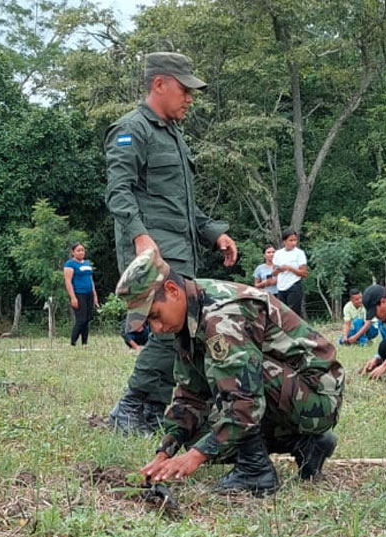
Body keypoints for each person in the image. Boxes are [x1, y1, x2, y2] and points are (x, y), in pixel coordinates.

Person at [117, 249, 342, 496]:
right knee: (198, 430)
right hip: (288, 392)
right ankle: (306, 444)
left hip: (316, 393)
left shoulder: (221, 316)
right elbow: (189, 396)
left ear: (172, 290)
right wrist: (165, 451)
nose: (156, 328)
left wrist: (195, 457)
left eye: (155, 316)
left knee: (226, 383)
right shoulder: (188, 319)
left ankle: (255, 471)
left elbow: (244, 400)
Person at [104, 51, 239, 434]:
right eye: (184, 89)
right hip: (152, 251)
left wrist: (214, 233)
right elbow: (119, 192)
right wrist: (141, 238)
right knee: (171, 329)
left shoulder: (174, 135)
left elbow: (182, 205)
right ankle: (132, 405)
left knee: (183, 331)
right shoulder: (131, 130)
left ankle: (153, 410)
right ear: (159, 84)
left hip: (180, 246)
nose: (190, 98)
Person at [63, 243, 98, 347]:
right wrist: (73, 297)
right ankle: (73, 342)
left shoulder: (86, 263)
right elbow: (68, 281)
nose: (81, 252)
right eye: (78, 250)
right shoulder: (70, 264)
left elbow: (91, 280)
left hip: (89, 293)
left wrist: (95, 295)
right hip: (79, 293)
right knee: (81, 319)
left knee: (87, 319)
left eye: (82, 250)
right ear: (73, 252)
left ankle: (84, 343)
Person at [272, 229, 308, 315]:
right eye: (291, 240)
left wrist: (290, 268)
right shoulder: (278, 253)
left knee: (293, 313)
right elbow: (273, 272)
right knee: (282, 313)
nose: (293, 243)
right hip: (281, 287)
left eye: (295, 240)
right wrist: (280, 269)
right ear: (284, 241)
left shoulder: (299, 253)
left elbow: (304, 273)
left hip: (294, 286)